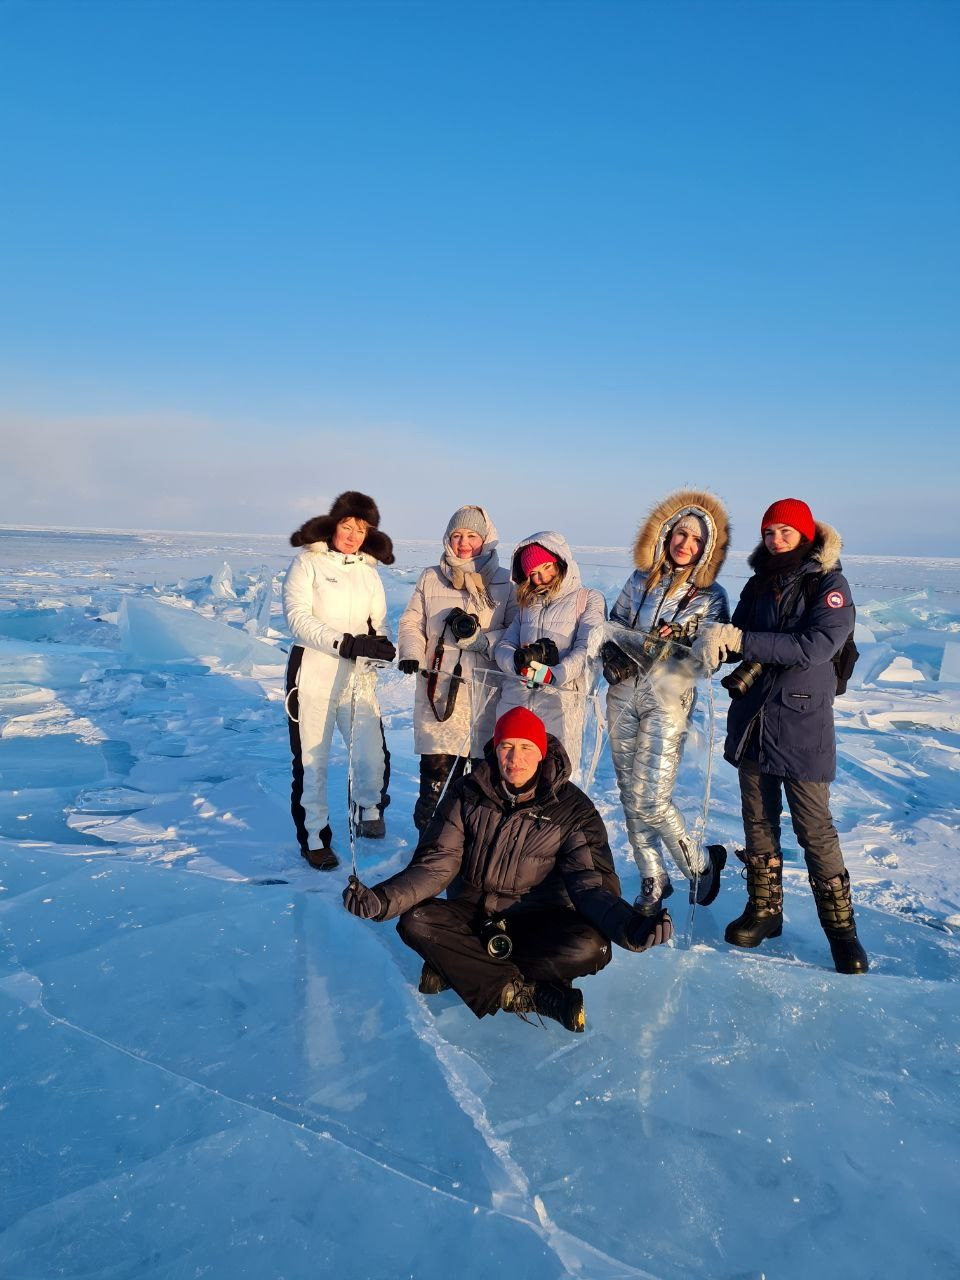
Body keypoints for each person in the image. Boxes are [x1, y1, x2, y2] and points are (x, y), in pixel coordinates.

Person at [342, 707, 674, 1033]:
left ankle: (458, 967)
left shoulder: (574, 810)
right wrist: (382, 899)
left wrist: (629, 925)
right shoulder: (466, 793)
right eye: (507, 747)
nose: (515, 758)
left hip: (536, 918)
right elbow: (435, 866)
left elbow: (590, 886)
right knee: (417, 922)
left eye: (526, 747)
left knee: (591, 947)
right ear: (495, 749)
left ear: (541, 753)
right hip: (471, 911)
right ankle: (525, 994)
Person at [694, 497, 869, 974]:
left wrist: (742, 641)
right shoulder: (758, 583)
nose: (776, 540)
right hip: (754, 721)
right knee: (758, 822)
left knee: (814, 829)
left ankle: (842, 934)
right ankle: (765, 912)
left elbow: (816, 646)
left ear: (806, 535)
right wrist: (714, 645)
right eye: (770, 532)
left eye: (785, 532)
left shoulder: (830, 585)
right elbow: (743, 637)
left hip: (802, 723)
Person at [602, 490, 731, 914]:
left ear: (706, 548)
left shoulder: (710, 598)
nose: (684, 544)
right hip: (623, 694)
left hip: (668, 699)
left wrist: (662, 650)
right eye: (680, 534)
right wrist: (613, 655)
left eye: (695, 540)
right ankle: (653, 878)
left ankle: (699, 864)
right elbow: (613, 627)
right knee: (627, 791)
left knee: (651, 797)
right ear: (665, 535)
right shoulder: (638, 581)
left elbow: (704, 661)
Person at [283, 491, 396, 871]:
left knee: (371, 751)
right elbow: (298, 618)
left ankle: (367, 807)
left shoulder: (369, 572)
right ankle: (315, 837)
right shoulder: (308, 563)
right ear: (333, 525)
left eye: (361, 530)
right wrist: (343, 643)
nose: (352, 535)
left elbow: (376, 623)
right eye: (346, 526)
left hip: (356, 676)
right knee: (312, 760)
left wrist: (378, 648)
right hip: (313, 671)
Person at [397, 505, 516, 832]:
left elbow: (514, 629)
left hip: (485, 694)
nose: (463, 543)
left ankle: (474, 858)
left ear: (486, 539)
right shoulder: (431, 577)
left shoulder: (505, 581)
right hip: (439, 691)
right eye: (457, 535)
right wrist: (411, 651)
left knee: (482, 785)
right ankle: (430, 853)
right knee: (435, 783)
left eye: (471, 536)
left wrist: (481, 639)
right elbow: (411, 622)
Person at [493, 532, 606, 774]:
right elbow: (503, 646)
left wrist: (554, 674)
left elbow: (587, 649)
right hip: (517, 705)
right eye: (533, 573)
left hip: (559, 705)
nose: (542, 577)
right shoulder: (526, 605)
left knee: (554, 781)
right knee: (513, 778)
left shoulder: (587, 600)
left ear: (560, 562)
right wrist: (516, 663)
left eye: (546, 567)